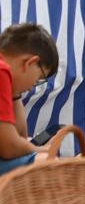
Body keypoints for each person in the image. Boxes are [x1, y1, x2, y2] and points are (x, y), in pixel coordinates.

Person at [0, 23, 57, 174]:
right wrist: (41, 149)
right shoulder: (1, 70)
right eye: (39, 78)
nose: (32, 87)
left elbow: (20, 137)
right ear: (30, 62)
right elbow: (9, 148)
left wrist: (15, 93)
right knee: (47, 162)